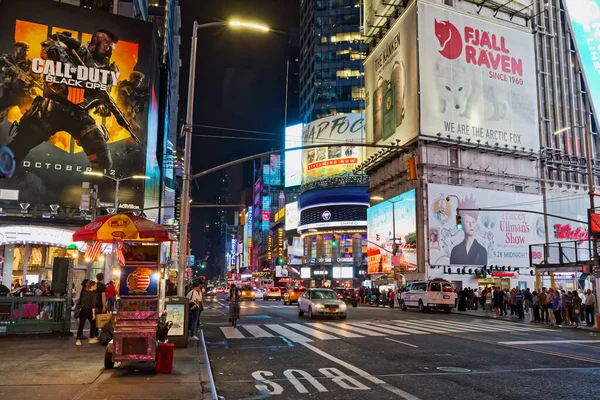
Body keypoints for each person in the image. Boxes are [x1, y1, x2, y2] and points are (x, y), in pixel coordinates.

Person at [449, 196, 487, 265]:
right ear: (462, 224)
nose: (471, 225)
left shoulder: (482, 250)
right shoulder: (455, 250)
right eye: (467, 222)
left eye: (473, 222)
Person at [76, 280, 98, 346]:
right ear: (92, 286)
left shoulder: (84, 292)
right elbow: (93, 304)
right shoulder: (93, 294)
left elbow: (81, 301)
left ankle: (78, 340)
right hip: (89, 310)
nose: (96, 287)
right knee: (93, 324)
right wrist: (93, 314)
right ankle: (91, 338)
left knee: (81, 325)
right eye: (95, 286)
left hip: (83, 310)